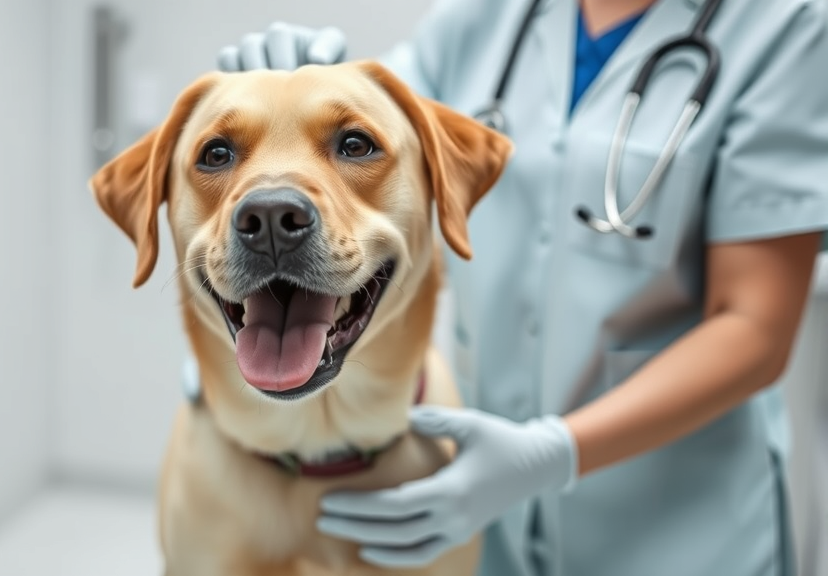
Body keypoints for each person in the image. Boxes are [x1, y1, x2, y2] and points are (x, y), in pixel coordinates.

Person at [213, 1, 828, 575]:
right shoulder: (482, 18)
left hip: (679, 528)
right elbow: (365, 143)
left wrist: (551, 454)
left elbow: (754, 326)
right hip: (487, 520)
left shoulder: (784, 25)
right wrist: (247, 340)